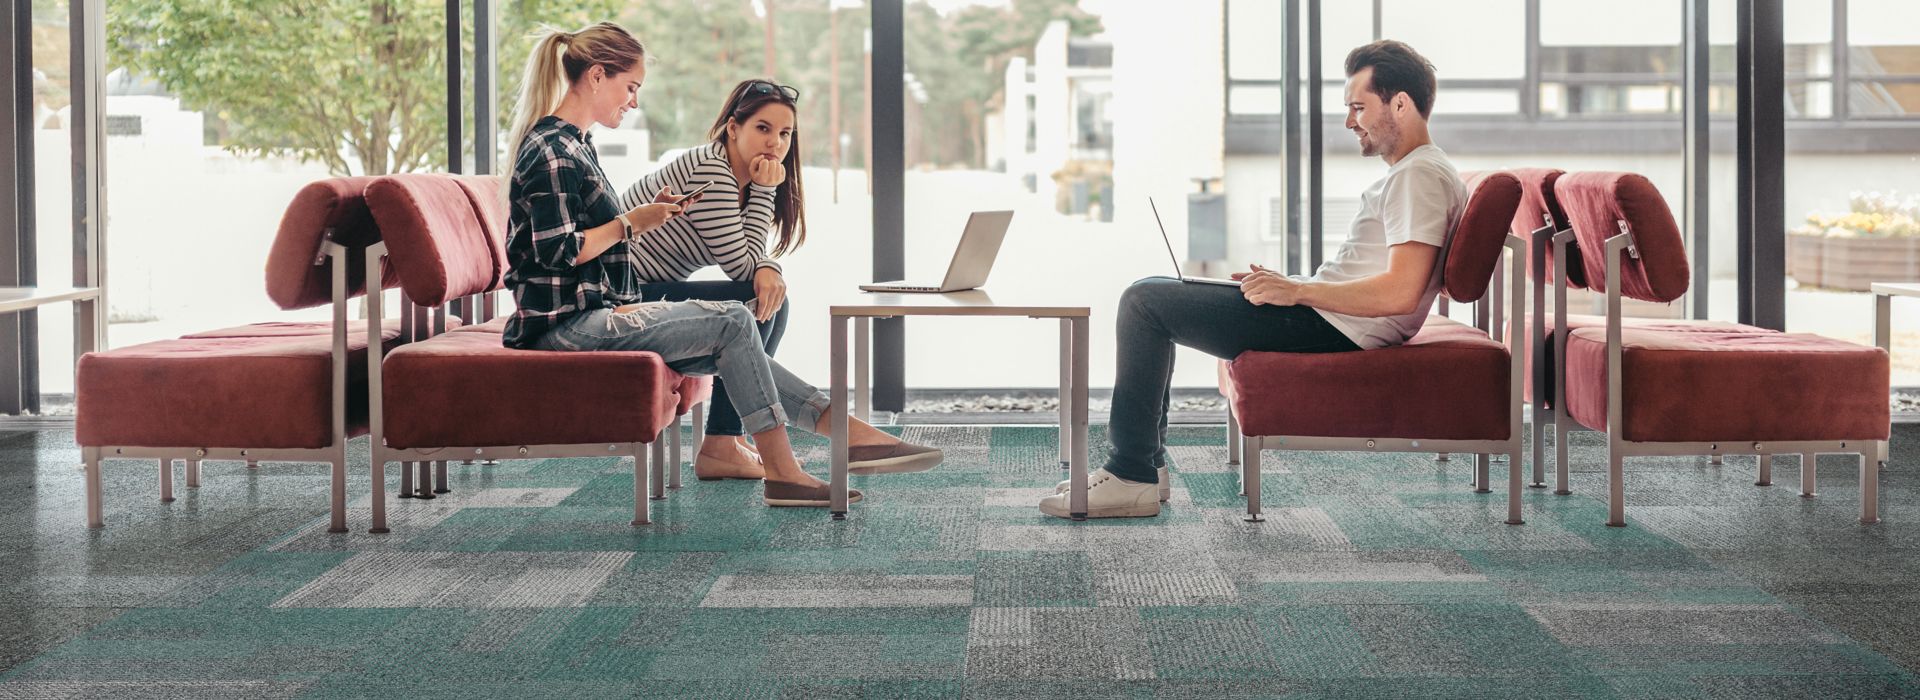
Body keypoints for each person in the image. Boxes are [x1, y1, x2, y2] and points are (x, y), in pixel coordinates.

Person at [501, 23, 941, 508]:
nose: (634, 102)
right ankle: (799, 460)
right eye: (631, 88)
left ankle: (832, 439)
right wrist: (632, 222)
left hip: (601, 305)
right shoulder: (552, 150)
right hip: (564, 323)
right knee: (735, 320)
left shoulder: (574, 144)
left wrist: (647, 220)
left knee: (739, 335)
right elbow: (556, 252)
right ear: (598, 76)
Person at [1039, 40, 1468, 519]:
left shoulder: (1419, 178)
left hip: (1336, 328)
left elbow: (1400, 291)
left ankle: (1132, 474)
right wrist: (1291, 285)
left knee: (1144, 302)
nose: (1350, 122)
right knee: (1155, 292)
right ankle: (1143, 467)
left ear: (1401, 104)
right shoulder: (1417, 173)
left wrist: (1299, 291)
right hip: (1328, 317)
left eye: (1359, 107)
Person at [609, 79, 822, 481]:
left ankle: (726, 437)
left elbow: (749, 258)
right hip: (621, 295)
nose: (775, 143)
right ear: (733, 129)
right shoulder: (712, 171)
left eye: (785, 133)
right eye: (763, 128)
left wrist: (768, 265)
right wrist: (764, 192)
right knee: (750, 294)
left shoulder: (732, 173)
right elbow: (743, 268)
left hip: (644, 287)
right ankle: (722, 441)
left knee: (760, 299)